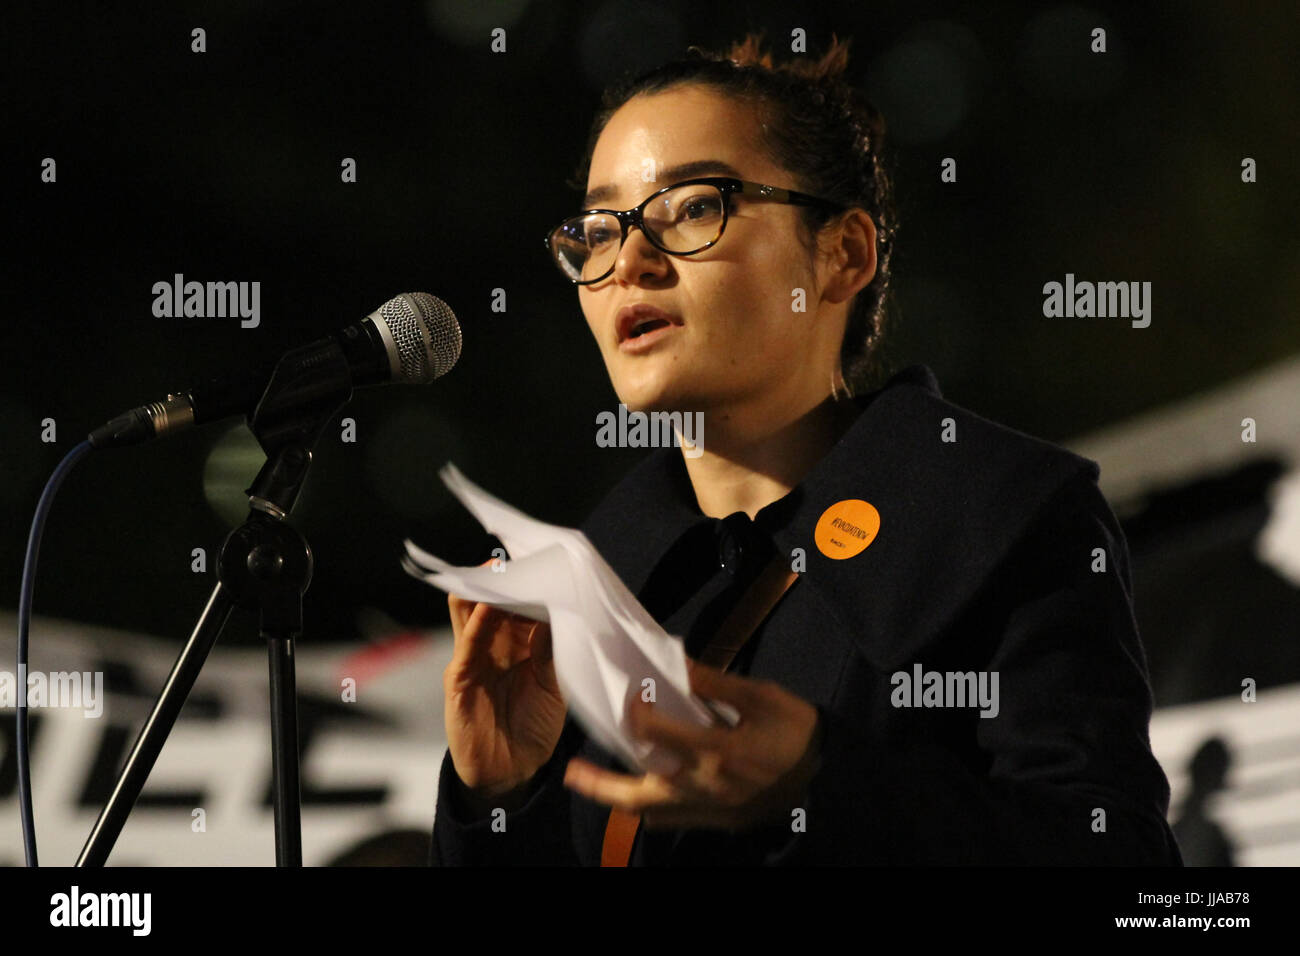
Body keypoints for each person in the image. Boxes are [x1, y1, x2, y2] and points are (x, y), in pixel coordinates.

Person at [428, 32, 1184, 865]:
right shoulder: (592, 581)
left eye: (696, 206)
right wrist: (496, 795)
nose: (629, 262)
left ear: (841, 255)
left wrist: (821, 784)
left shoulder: (997, 514)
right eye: (598, 230)